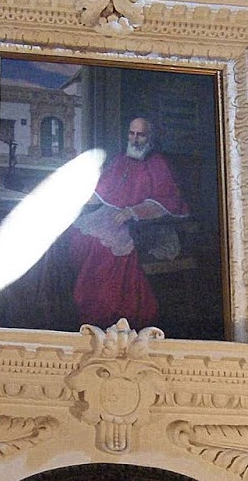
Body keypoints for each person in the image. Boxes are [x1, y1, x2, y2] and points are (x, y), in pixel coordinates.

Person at [68, 117, 187, 328]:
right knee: (77, 235)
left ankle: (106, 311)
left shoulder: (157, 164)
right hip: (110, 216)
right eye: (132, 133)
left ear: (150, 137)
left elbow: (166, 202)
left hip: (144, 225)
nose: (135, 139)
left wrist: (132, 212)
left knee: (102, 248)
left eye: (140, 135)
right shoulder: (121, 160)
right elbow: (103, 192)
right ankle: (82, 305)